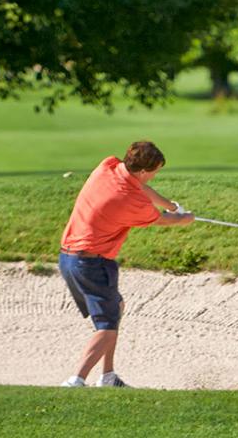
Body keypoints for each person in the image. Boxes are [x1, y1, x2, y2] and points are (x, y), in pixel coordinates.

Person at [57, 141, 193, 388]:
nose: (154, 176)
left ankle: (108, 376)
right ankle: (76, 380)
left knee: (116, 308)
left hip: (69, 258)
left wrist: (170, 204)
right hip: (91, 263)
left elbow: (140, 188)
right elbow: (160, 221)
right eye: (155, 171)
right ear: (143, 171)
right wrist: (183, 219)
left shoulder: (108, 166)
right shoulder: (128, 200)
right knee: (107, 326)